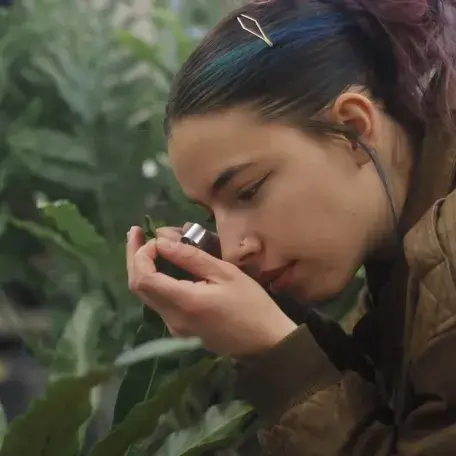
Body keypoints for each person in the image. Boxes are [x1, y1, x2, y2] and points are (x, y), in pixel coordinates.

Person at [126, 0, 456, 454]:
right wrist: (271, 322)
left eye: (248, 190)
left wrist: (273, 354)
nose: (235, 248)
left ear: (354, 129)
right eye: (211, 213)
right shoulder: (402, 250)